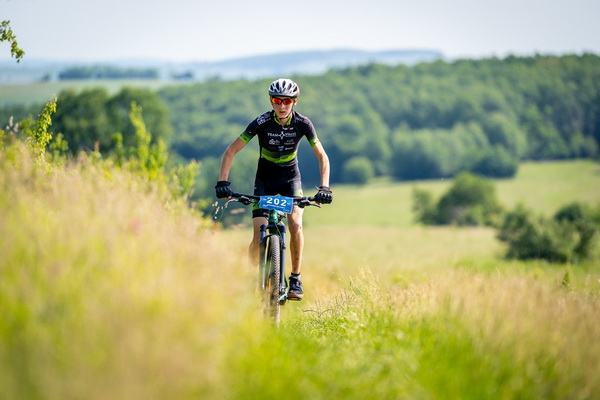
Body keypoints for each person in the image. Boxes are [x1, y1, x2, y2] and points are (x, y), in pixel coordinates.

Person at [215, 78, 333, 300]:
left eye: (287, 101)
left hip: (290, 179)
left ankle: (295, 278)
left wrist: (324, 187)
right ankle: (252, 280)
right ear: (271, 101)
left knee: (295, 224)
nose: (282, 105)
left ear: (295, 101)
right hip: (265, 180)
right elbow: (231, 151)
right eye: (277, 100)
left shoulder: (303, 124)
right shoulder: (261, 123)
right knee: (258, 233)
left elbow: (322, 156)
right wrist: (223, 182)